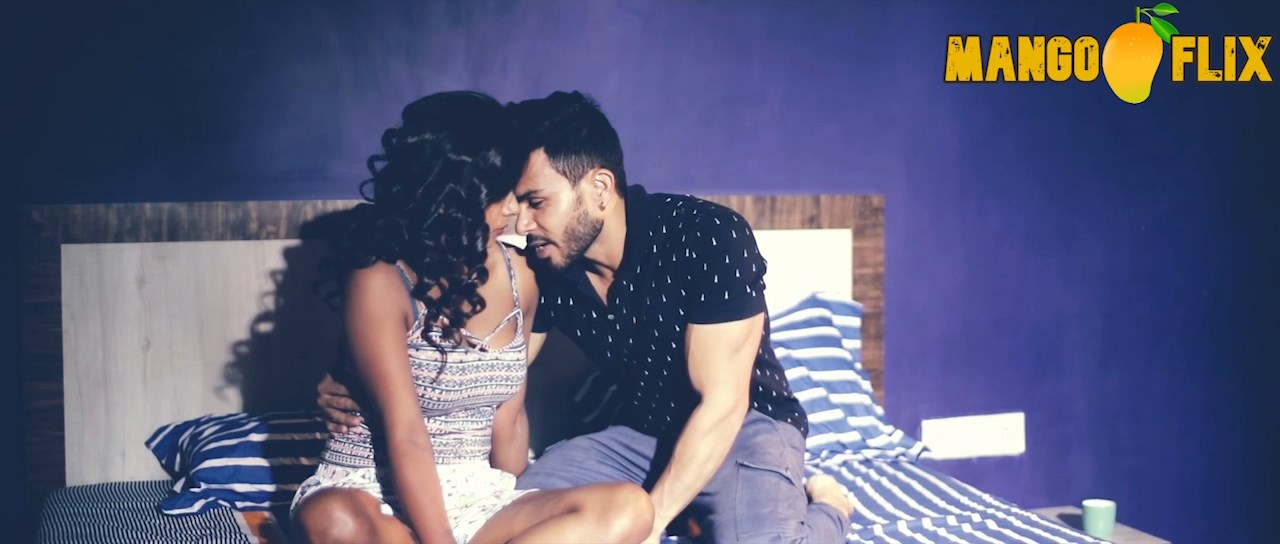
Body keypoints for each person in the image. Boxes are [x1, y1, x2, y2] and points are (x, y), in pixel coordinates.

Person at [317, 91, 854, 543]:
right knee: (521, 509)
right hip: (640, 434)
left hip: (744, 428)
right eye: (514, 201)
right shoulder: (547, 266)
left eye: (536, 202)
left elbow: (722, 405)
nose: (520, 223)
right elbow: (483, 371)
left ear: (598, 188)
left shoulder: (706, 236)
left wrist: (651, 525)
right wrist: (353, 381)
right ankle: (692, 511)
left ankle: (831, 507)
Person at [291, 90, 653, 544]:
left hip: (474, 493)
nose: (515, 211)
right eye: (500, 194)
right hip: (371, 490)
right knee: (334, 519)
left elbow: (510, 420)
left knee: (630, 508)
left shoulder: (523, 275)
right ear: (450, 198)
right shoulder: (380, 281)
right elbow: (406, 435)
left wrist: (516, 504)